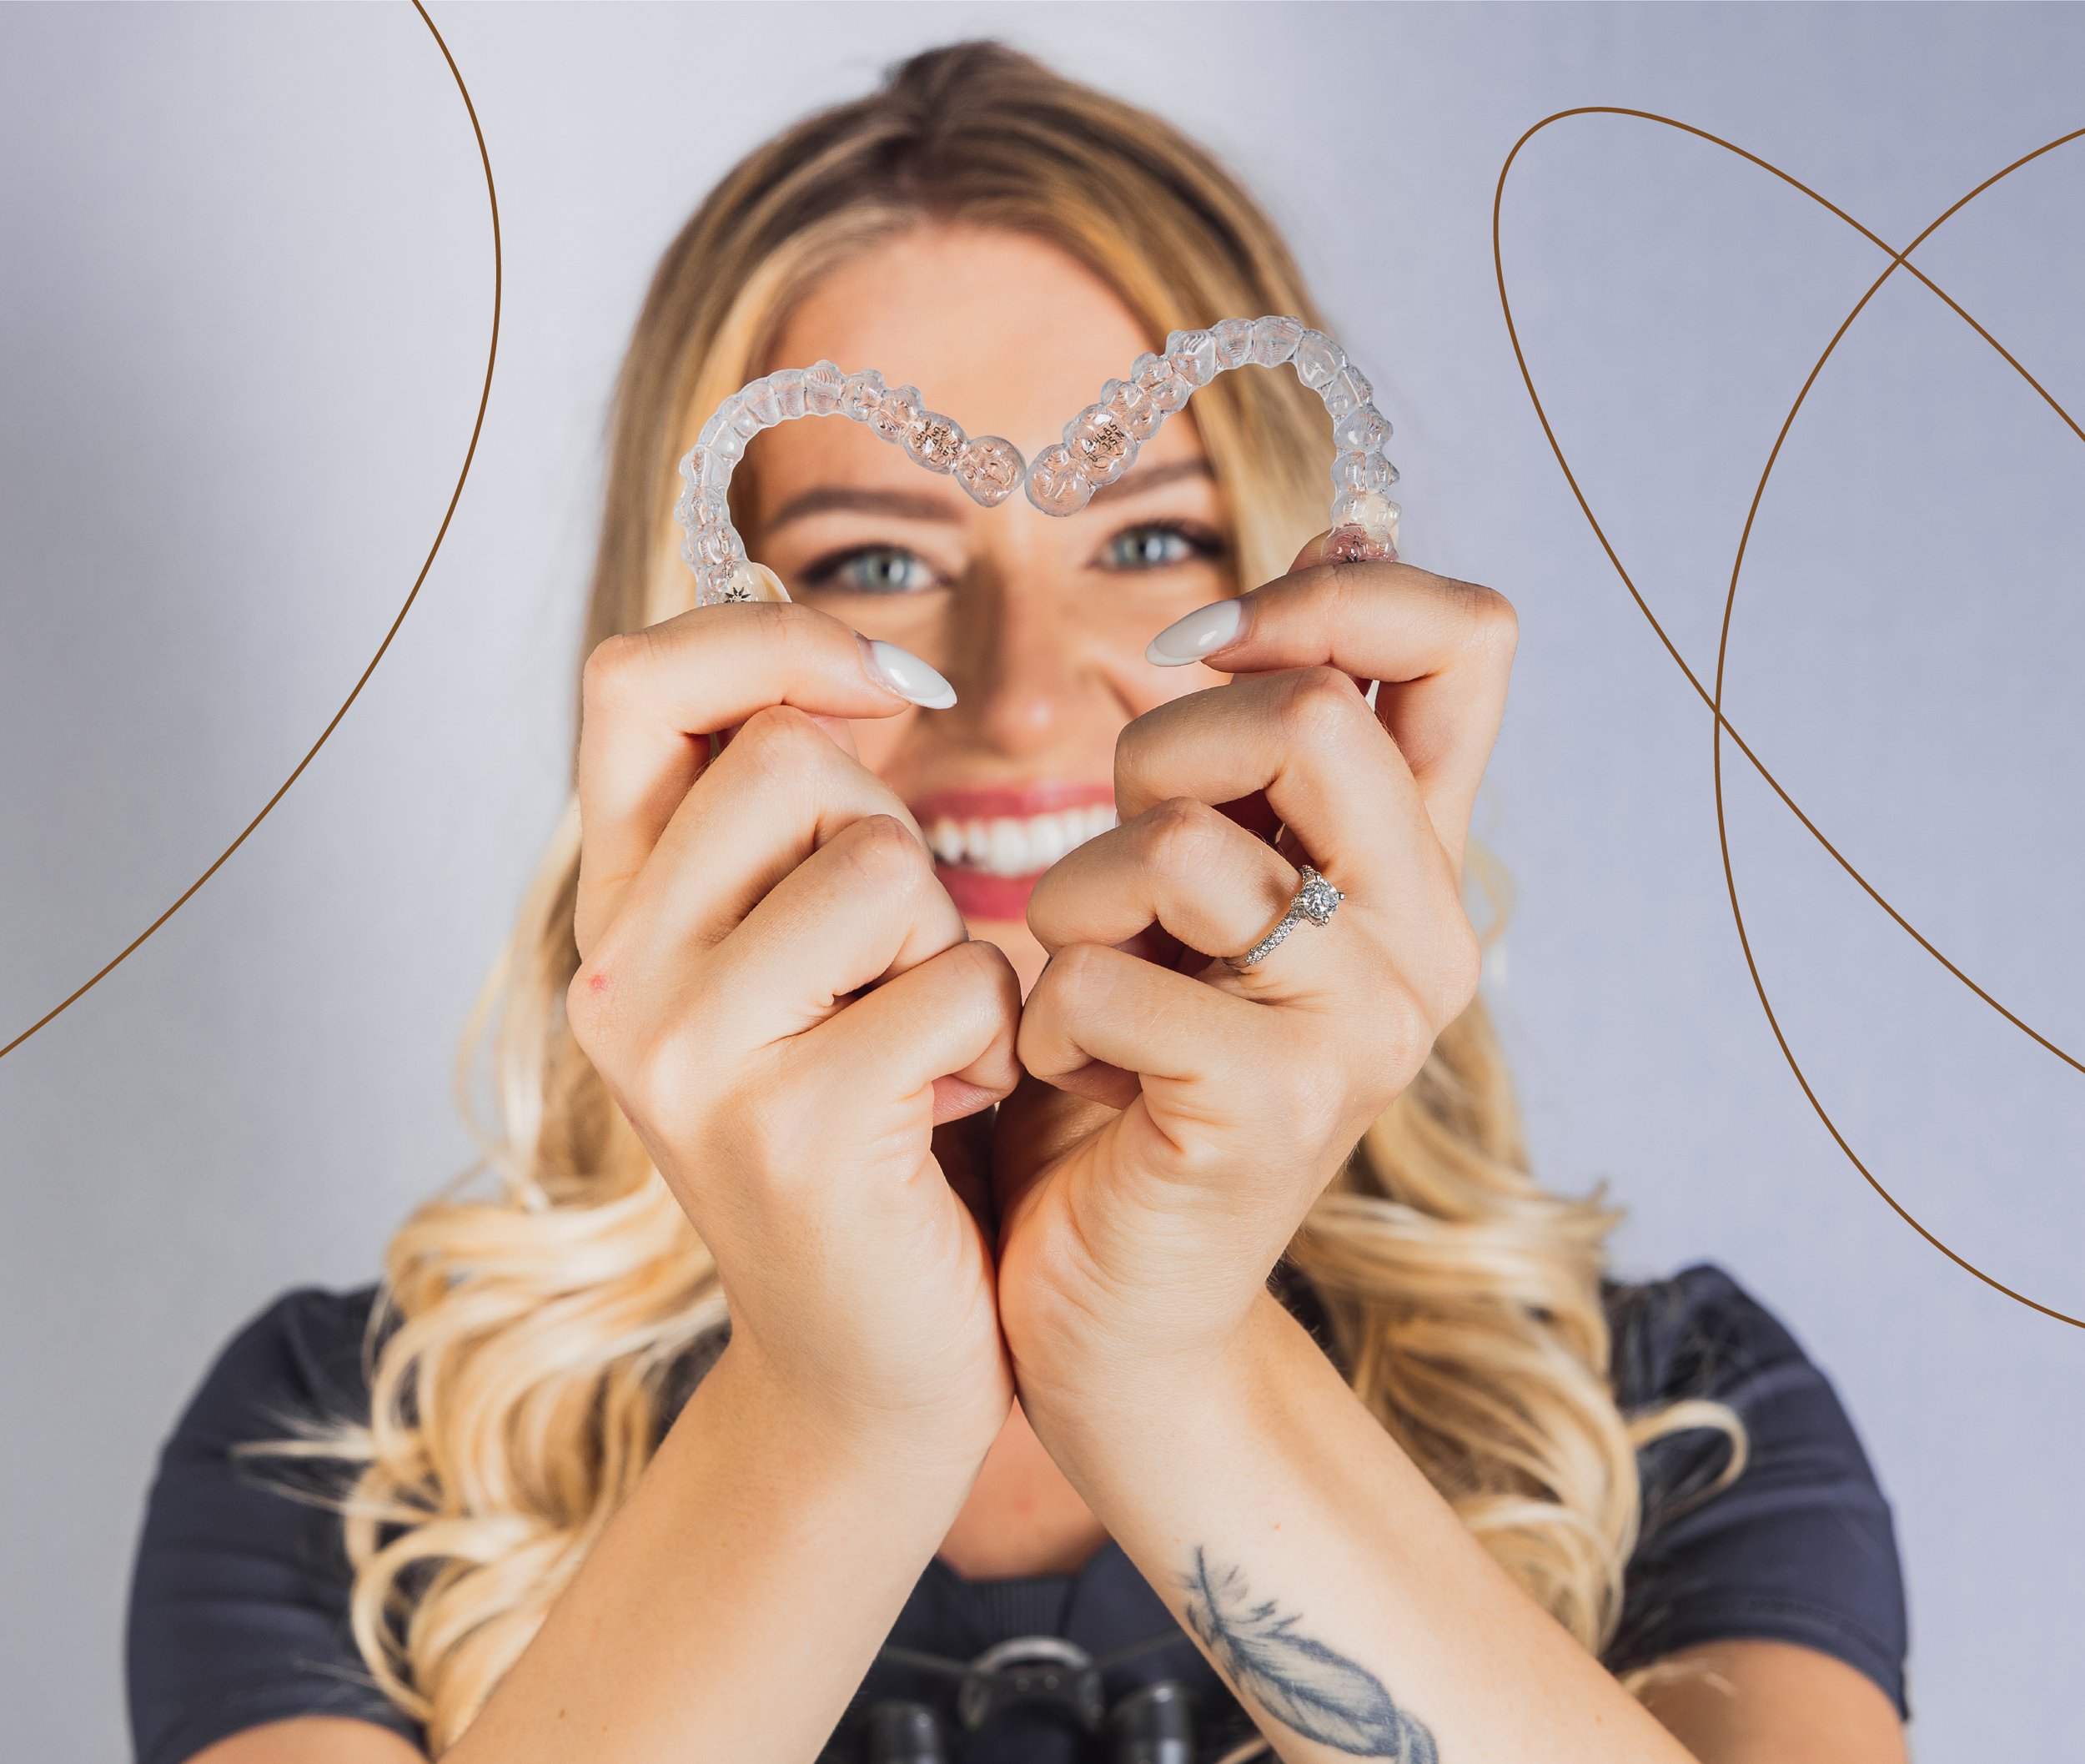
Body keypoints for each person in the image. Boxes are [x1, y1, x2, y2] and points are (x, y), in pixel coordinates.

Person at [124, 42, 1909, 1764]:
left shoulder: (1679, 1425)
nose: (1025, 694)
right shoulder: (341, 1461)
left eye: (1144, 544)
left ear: (1298, 615)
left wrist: (1167, 1368)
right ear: (702, 650)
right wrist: (837, 1410)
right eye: (875, 565)